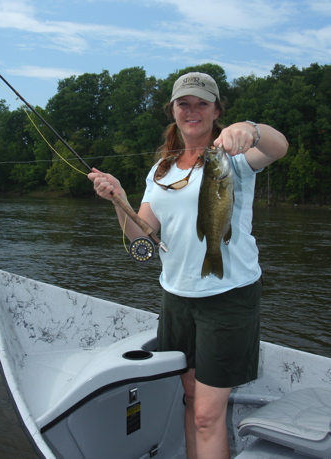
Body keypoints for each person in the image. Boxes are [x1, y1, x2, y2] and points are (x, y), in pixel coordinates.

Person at [88, 72, 288, 459]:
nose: (192, 110)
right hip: (176, 297)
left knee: (206, 417)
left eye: (201, 103)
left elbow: (278, 148)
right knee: (190, 400)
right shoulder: (161, 170)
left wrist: (252, 129)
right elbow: (142, 238)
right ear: (174, 111)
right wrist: (118, 199)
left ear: (216, 110)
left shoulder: (232, 160)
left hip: (227, 297)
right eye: (184, 103)